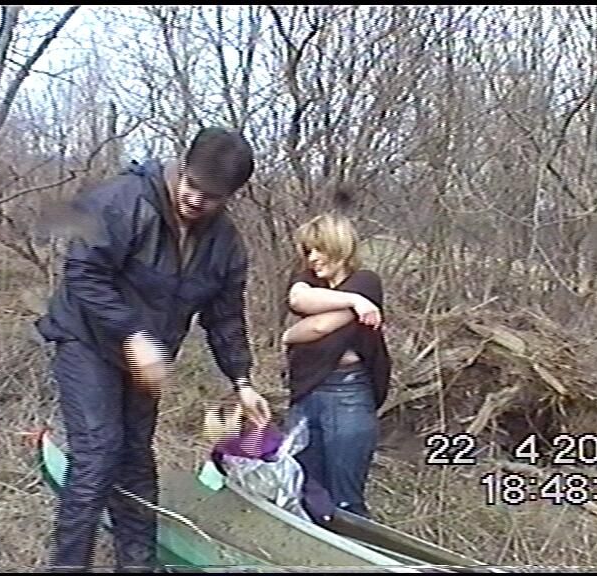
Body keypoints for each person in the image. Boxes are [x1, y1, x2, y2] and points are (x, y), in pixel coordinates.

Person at [34, 127, 271, 572]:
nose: (196, 200)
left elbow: (225, 317)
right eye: (192, 186)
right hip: (87, 342)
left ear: (229, 197)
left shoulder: (225, 245)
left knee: (136, 462)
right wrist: (133, 335)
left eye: (211, 196)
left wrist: (242, 381)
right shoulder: (123, 201)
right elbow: (83, 274)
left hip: (146, 362)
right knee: (98, 453)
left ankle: (137, 565)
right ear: (183, 166)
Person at [281, 212, 391, 519]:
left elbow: (318, 327)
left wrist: (291, 334)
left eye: (319, 249)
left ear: (339, 245)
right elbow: (298, 300)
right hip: (306, 393)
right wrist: (354, 302)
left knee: (345, 501)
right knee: (304, 491)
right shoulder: (308, 281)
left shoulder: (366, 282)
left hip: (347, 395)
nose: (313, 258)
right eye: (308, 251)